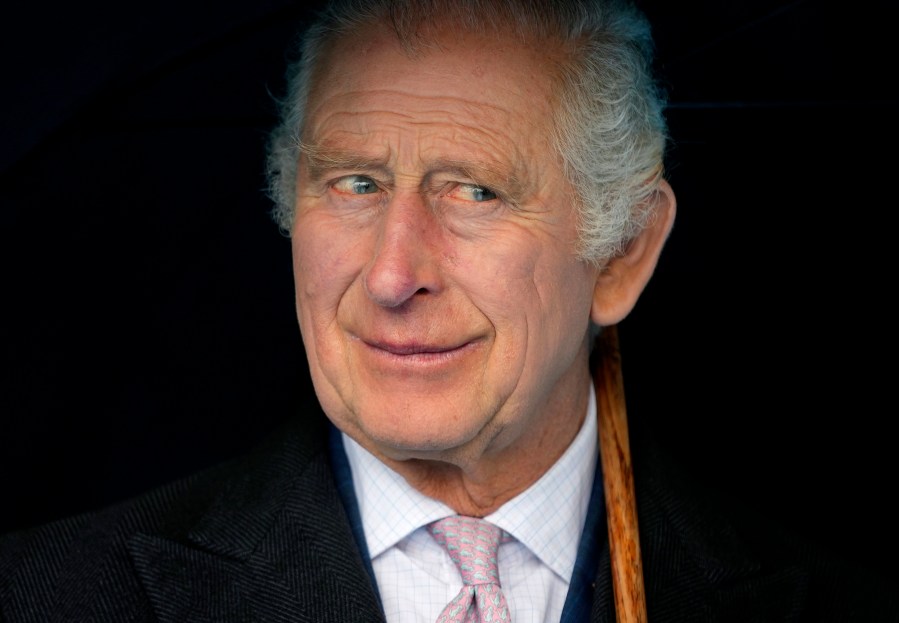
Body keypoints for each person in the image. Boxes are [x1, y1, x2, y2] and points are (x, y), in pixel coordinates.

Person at [1, 0, 896, 621]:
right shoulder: (44, 596)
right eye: (354, 183)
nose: (394, 274)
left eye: (474, 192)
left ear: (623, 251)